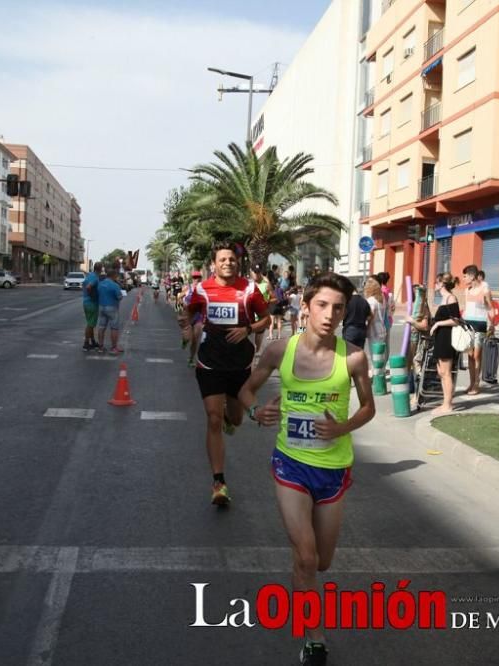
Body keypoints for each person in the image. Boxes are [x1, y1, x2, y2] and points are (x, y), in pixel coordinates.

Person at [238, 272, 375, 666]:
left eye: (338, 308)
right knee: (306, 557)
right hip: (291, 464)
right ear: (306, 306)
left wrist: (342, 426)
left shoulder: (352, 357)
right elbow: (248, 388)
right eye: (322, 305)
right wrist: (254, 410)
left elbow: (368, 408)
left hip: (333, 470)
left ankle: (303, 570)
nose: (330, 314)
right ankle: (313, 635)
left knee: (323, 561)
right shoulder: (279, 350)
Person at [179, 241, 271, 506]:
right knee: (213, 418)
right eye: (222, 259)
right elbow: (188, 310)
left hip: (239, 364)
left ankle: (233, 418)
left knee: (236, 418)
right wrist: (186, 326)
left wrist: (248, 329)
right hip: (209, 363)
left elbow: (267, 319)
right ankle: (218, 482)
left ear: (237, 262)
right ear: (214, 264)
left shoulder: (250, 290)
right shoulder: (201, 289)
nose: (228, 263)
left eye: (231, 259)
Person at [429, 272, 461, 415]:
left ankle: (448, 404)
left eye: (436, 282)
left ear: (442, 283)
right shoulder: (443, 299)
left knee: (446, 372)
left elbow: (456, 320)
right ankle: (445, 402)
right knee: (441, 372)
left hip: (446, 338)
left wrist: (438, 324)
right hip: (440, 338)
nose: (434, 285)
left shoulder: (450, 298)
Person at [461, 264, 492, 395]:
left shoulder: (484, 289)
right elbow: (466, 308)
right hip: (468, 324)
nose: (464, 278)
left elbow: (490, 307)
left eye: (465, 276)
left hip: (480, 324)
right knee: (469, 355)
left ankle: (477, 384)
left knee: (477, 355)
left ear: (472, 276)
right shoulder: (467, 290)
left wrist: (492, 324)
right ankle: (471, 383)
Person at [96, 268, 125, 354]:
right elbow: (119, 297)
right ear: (114, 276)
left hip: (101, 307)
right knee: (114, 328)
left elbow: (97, 293)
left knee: (101, 327)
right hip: (112, 307)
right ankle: (113, 348)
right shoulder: (115, 285)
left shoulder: (100, 284)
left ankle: (100, 347)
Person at [364, 277, 387, 373]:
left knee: (374, 353)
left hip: (374, 329)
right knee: (380, 353)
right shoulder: (382, 299)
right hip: (382, 327)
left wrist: (367, 326)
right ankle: (380, 372)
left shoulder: (371, 300)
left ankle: (376, 373)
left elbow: (371, 314)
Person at [341, 287, 371, 352]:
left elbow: (342, 315)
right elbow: (369, 317)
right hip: (362, 329)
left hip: (350, 329)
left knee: (348, 353)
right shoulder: (364, 301)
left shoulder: (347, 301)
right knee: (359, 353)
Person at [81, 261, 103, 352]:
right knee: (90, 324)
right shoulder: (95, 278)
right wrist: (93, 297)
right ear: (100, 269)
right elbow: (89, 287)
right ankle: (86, 343)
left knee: (91, 323)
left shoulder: (89, 275)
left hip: (86, 302)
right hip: (91, 303)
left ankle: (93, 341)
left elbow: (85, 285)